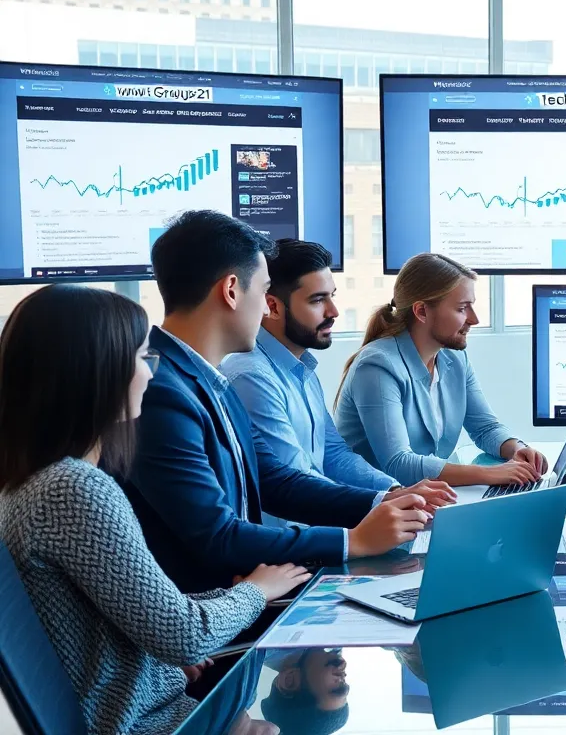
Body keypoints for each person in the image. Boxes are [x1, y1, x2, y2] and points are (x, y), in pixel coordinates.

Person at [0, 284, 312, 735]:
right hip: (144, 723)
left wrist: (213, 614)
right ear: (96, 371)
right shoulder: (71, 488)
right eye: (143, 359)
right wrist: (258, 591)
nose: (150, 375)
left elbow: (145, 613)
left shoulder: (33, 479)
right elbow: (182, 633)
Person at [122, 210, 451, 596]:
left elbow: (275, 479)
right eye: (263, 292)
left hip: (247, 591)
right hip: (213, 617)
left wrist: (385, 500)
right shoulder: (160, 392)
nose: (266, 309)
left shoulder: (210, 379)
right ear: (231, 290)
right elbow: (217, 535)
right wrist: (353, 542)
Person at [222, 240, 421, 502]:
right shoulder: (251, 377)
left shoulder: (301, 367)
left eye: (332, 296)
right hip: (293, 535)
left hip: (319, 526)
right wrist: (380, 502)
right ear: (272, 307)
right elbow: (294, 479)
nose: (334, 311)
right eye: (317, 300)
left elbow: (333, 454)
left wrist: (394, 491)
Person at [336, 252, 548, 487]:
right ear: (422, 312)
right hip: (374, 507)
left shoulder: (454, 359)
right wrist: (489, 474)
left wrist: (516, 449)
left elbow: (485, 428)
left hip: (423, 498)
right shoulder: (376, 367)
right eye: (462, 308)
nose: (474, 319)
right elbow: (398, 463)